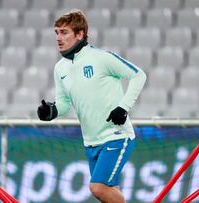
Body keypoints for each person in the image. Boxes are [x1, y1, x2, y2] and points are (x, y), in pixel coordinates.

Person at [37, 9, 147, 203]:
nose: (58, 38)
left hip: (116, 135)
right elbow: (63, 103)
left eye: (64, 32)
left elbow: (139, 75)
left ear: (80, 34)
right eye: (57, 32)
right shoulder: (60, 68)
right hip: (90, 142)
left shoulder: (101, 58)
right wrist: (52, 111)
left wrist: (123, 107)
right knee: (108, 192)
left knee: (97, 187)